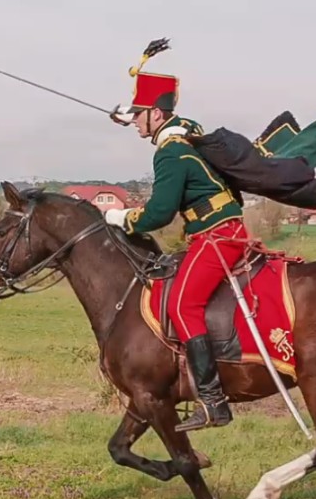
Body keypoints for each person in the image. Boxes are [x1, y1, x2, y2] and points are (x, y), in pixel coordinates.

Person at [104, 42, 246, 432]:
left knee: (183, 305)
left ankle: (214, 402)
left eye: (138, 116)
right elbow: (182, 123)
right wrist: (127, 114)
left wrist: (120, 217)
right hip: (215, 232)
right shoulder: (187, 136)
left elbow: (158, 214)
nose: (134, 123)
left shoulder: (170, 153)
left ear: (155, 113)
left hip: (218, 236)